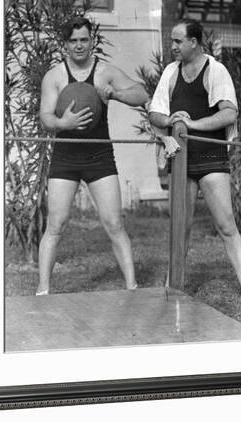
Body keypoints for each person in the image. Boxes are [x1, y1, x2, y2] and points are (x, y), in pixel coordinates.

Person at [149, 19, 241, 308]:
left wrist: (192, 123)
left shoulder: (215, 70)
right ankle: (173, 287)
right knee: (180, 227)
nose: (172, 47)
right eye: (172, 41)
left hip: (211, 159)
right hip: (180, 158)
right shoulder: (171, 73)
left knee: (226, 225)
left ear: (194, 42)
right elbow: (155, 114)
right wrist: (170, 120)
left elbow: (229, 113)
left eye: (177, 41)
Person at [36, 17, 148, 295]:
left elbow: (141, 93)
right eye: (73, 41)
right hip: (66, 158)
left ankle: (132, 287)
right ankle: (42, 290)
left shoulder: (104, 72)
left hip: (99, 157)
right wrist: (64, 124)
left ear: (92, 41)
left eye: (84, 39)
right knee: (56, 224)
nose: (79, 45)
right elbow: (46, 117)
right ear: (65, 45)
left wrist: (115, 94)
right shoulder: (55, 76)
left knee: (114, 223)